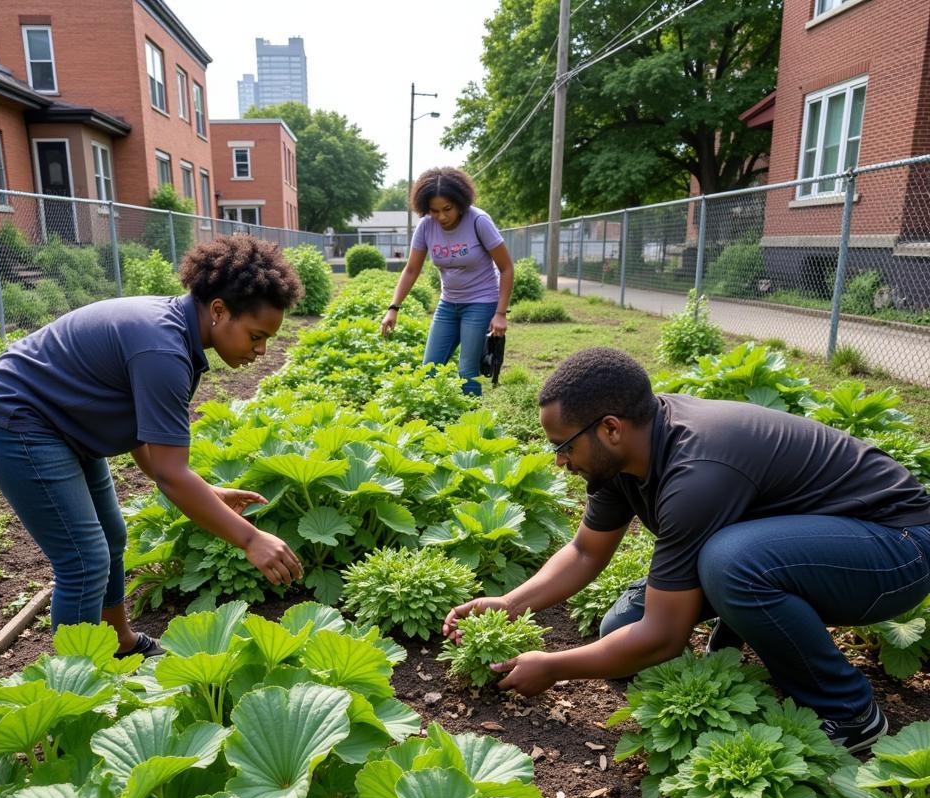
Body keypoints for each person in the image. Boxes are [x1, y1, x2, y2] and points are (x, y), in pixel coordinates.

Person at [444, 346, 930, 752]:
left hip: (895, 548)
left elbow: (663, 638)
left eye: (564, 445)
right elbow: (586, 552)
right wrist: (509, 604)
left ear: (610, 428)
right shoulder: (625, 452)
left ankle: (851, 712)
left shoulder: (696, 470)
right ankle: (745, 622)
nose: (559, 460)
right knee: (620, 627)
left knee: (730, 562)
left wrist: (554, 666)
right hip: (819, 542)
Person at [0, 234, 304, 656]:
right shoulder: (162, 349)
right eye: (256, 336)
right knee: (83, 560)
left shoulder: (177, 333)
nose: (261, 350)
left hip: (64, 421)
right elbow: (169, 474)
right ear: (219, 310)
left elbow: (148, 441)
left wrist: (206, 490)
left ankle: (119, 643)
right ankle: (74, 690)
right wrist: (251, 539)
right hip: (17, 418)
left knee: (111, 538)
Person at [381, 167, 513, 397]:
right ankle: (437, 421)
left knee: (467, 371)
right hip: (448, 304)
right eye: (434, 210)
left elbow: (506, 268)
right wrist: (393, 307)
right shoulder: (426, 226)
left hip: (481, 302)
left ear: (460, 202)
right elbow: (411, 269)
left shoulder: (478, 221)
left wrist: (500, 313)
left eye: (447, 209)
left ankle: (471, 426)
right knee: (429, 369)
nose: (441, 216)